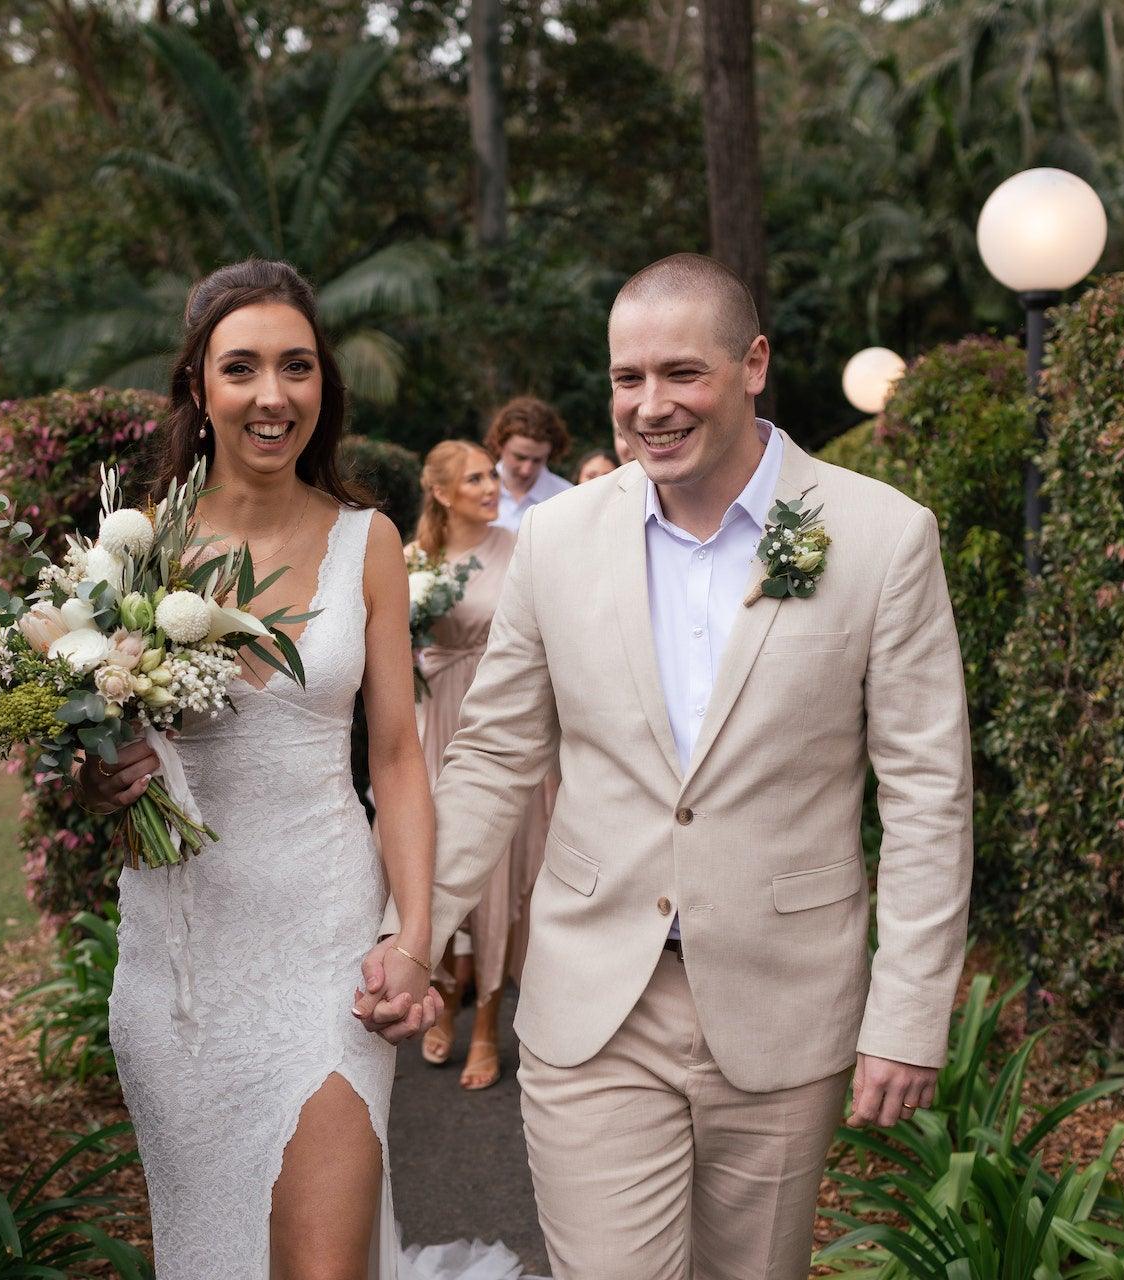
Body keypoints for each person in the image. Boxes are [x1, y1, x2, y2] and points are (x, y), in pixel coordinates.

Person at [361, 253, 971, 1279]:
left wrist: (907, 1011)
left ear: (753, 364)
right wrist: (414, 933)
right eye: (626, 378)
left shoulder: (881, 536)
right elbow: (497, 754)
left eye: (681, 373)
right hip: (595, 1002)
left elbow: (927, 793)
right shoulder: (556, 540)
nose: (649, 406)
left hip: (785, 1004)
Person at [78, 259, 443, 1279]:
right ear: (199, 385)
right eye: (242, 368)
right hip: (183, 955)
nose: (272, 394)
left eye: (297, 366)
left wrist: (410, 935)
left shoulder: (368, 540)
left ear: (323, 384)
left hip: (326, 942)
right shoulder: (135, 554)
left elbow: (401, 757)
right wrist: (102, 776)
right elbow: (100, 745)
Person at [407, 441, 550, 1091]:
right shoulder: (412, 563)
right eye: (475, 478)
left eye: (492, 474)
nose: (492, 486)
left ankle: (489, 1024)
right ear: (439, 491)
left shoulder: (523, 550)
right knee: (429, 864)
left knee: (495, 873)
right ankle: (440, 999)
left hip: (506, 722)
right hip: (434, 719)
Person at [484, 397, 572, 532]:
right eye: (519, 457)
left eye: (537, 460)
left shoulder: (566, 497)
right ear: (499, 445)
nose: (527, 470)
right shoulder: (474, 493)